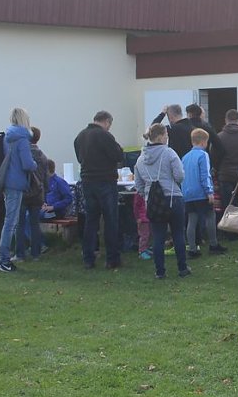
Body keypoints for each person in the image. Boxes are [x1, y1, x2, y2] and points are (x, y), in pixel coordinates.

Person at [134, 124, 191, 279]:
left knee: (158, 237)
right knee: (178, 233)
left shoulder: (140, 159)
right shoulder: (169, 153)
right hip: (172, 197)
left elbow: (138, 184)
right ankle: (182, 268)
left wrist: (147, 193)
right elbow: (179, 176)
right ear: (160, 136)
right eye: (166, 135)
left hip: (152, 202)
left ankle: (160, 271)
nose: (167, 137)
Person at [74, 110, 125, 270]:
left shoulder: (80, 136)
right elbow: (118, 156)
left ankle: (88, 258)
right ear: (107, 122)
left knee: (91, 220)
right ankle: (112, 259)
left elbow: (79, 158)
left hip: (87, 182)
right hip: (105, 181)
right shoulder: (104, 136)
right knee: (110, 220)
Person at [0, 108, 38, 273]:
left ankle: (4, 257)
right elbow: (27, 164)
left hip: (7, 181)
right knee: (11, 222)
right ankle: (3, 258)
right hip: (16, 182)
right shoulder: (22, 139)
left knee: (10, 221)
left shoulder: (8, 136)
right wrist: (35, 163)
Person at [182, 128, 226, 258]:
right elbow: (205, 174)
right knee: (210, 216)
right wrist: (209, 191)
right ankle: (213, 244)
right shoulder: (203, 155)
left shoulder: (184, 157)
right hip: (201, 192)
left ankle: (192, 248)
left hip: (188, 193)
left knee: (192, 219)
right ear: (203, 142)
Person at [13, 126, 48, 262]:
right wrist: (45, 194)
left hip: (23, 192)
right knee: (35, 224)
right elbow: (46, 178)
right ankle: (36, 254)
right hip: (38, 194)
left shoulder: (24, 154)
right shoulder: (43, 156)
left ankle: (20, 254)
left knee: (20, 224)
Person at [185, 104, 226, 171]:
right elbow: (220, 148)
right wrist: (213, 163)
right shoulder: (207, 128)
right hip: (204, 162)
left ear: (189, 114)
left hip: (187, 163)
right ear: (201, 114)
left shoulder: (183, 127)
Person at [133, 189, 151, 260]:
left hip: (148, 217)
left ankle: (145, 248)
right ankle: (141, 251)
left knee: (147, 235)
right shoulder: (139, 193)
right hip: (142, 218)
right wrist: (138, 217)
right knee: (144, 235)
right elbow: (136, 206)